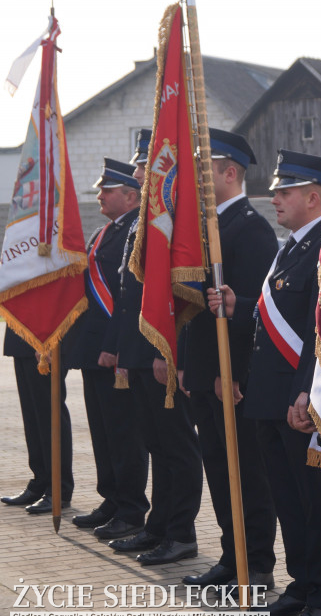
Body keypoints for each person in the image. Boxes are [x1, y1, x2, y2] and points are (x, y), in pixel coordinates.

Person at [209, 149, 321, 616]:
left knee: (316, 506)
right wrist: (240, 307)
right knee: (289, 502)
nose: (274, 198)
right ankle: (303, 585)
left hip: (300, 402)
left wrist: (305, 392)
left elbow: (319, 330)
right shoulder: (293, 244)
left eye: (284, 191)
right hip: (270, 397)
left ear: (314, 196)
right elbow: (273, 319)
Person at [181, 128, 278, 591]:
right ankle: (229, 555)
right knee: (219, 471)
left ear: (230, 172)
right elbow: (195, 309)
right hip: (204, 372)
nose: (199, 179)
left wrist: (233, 372)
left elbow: (257, 315)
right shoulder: (209, 230)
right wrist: (187, 364)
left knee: (247, 473)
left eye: (206, 170)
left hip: (231, 378)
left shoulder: (250, 230)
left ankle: (255, 563)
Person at [109, 129, 204, 565]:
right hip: (141, 350)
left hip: (162, 353)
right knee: (157, 445)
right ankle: (158, 527)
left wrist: (172, 354)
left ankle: (180, 533)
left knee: (177, 448)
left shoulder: (179, 219)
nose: (136, 172)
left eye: (145, 165)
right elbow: (131, 298)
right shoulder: (147, 220)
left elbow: (185, 297)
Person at [65, 158, 150, 541]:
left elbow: (126, 297)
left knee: (123, 432)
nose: (100, 195)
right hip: (93, 349)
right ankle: (111, 498)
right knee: (102, 430)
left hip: (115, 350)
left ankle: (131, 508)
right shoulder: (105, 232)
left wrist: (116, 346)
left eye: (107, 190)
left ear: (131, 197)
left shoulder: (135, 230)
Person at [0, 328, 73, 513]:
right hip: (23, 335)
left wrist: (50, 340)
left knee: (49, 416)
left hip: (45, 337)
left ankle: (58, 488)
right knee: (32, 419)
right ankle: (40, 482)